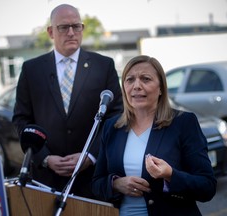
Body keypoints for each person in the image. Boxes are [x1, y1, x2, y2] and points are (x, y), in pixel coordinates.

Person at [12, 4, 123, 199]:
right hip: (46, 180)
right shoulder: (31, 70)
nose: (71, 32)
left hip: (92, 180)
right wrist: (44, 157)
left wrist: (90, 156)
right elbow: (22, 120)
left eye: (76, 26)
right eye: (63, 27)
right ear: (50, 32)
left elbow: (115, 117)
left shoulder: (103, 66)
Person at [92, 55, 217, 215]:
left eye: (146, 79)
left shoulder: (183, 123)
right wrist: (116, 184)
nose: (137, 86)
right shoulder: (112, 126)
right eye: (130, 80)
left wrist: (171, 175)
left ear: (160, 89)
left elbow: (207, 187)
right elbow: (97, 182)